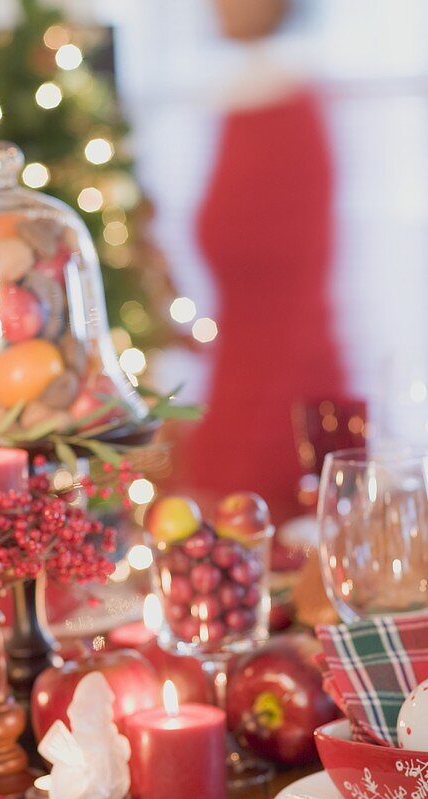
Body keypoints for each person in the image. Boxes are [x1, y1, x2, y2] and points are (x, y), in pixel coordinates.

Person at [170, 0, 349, 523]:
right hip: (237, 385)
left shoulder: (285, 109)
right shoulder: (242, 101)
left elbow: (291, 289)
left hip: (280, 400)